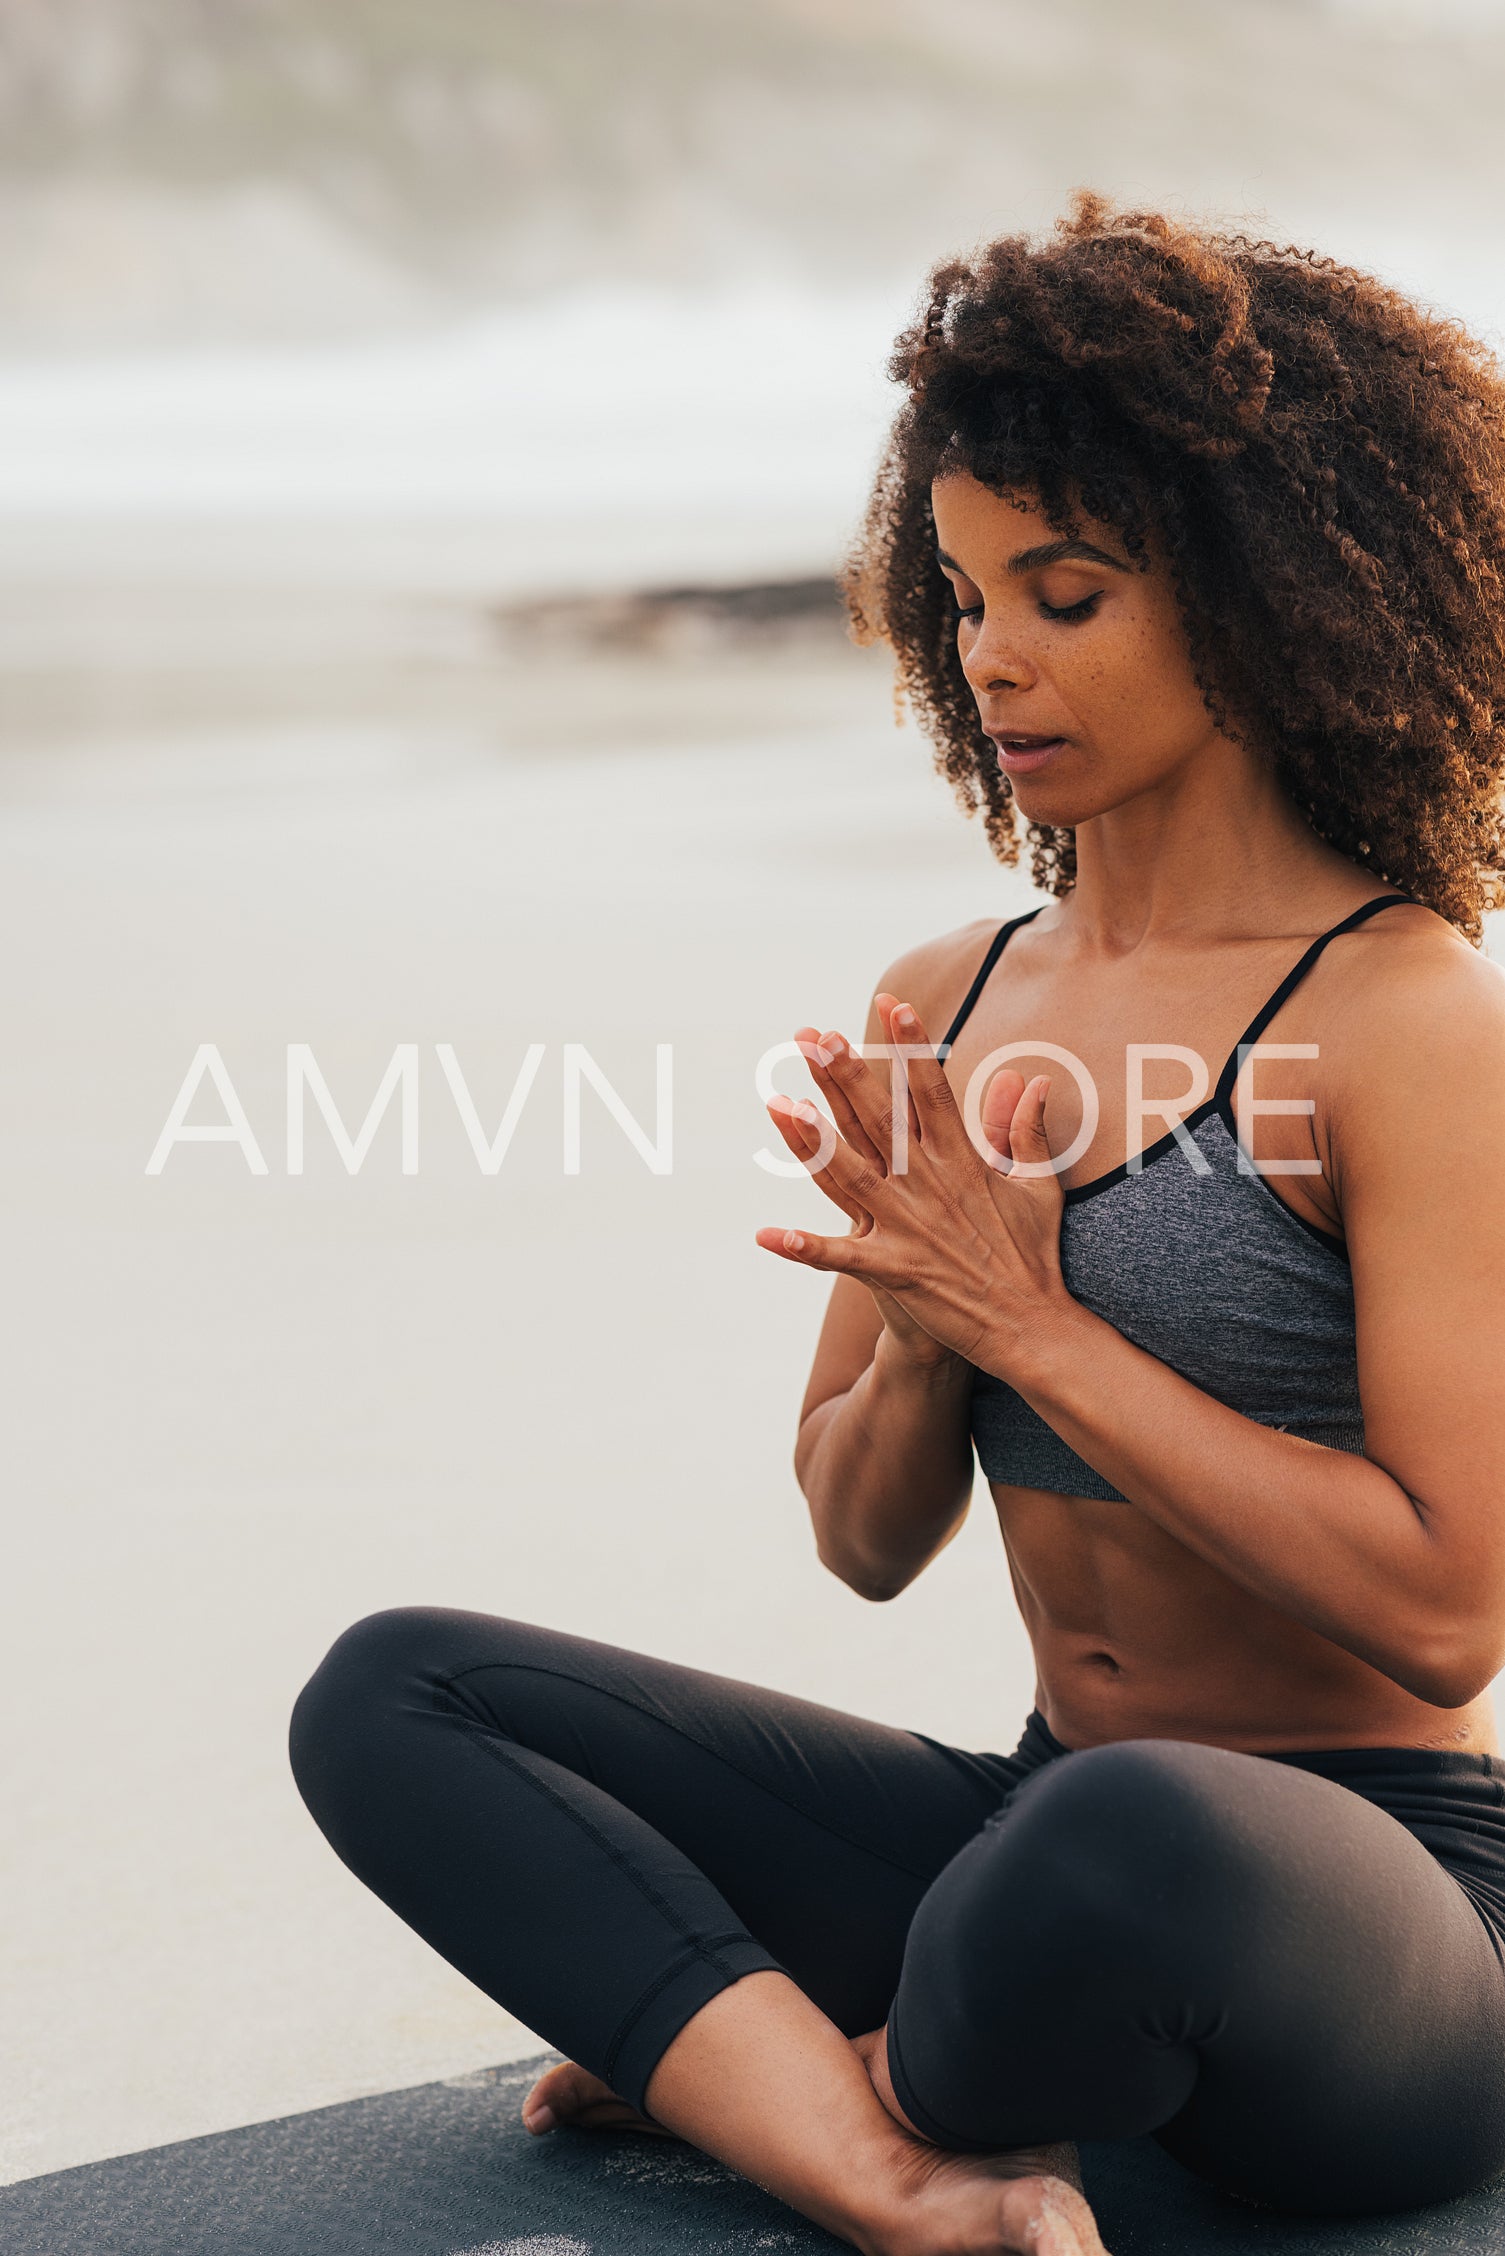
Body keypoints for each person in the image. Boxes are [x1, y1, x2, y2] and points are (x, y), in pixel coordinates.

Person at [287, 199, 1505, 2256]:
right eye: (957, 596)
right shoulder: (945, 997)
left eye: (1070, 592)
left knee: (1122, 1843)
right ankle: (887, 2155)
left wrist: (1036, 1330)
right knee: (395, 1694)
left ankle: (771, 2049)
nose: (994, 655)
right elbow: (861, 1545)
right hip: (1027, 1823)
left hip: (1363, 1914)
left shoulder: (1404, 1017)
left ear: (1265, 595)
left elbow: (1447, 1608)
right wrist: (933, 1326)